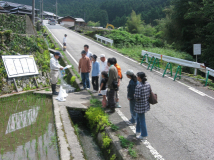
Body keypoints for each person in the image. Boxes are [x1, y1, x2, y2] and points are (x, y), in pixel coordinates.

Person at [134, 72, 151, 140]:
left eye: (137, 76)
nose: (136, 77)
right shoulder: (147, 84)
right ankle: (138, 131)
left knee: (142, 120)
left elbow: (137, 97)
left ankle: (144, 135)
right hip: (145, 104)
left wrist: (134, 95)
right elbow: (149, 93)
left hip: (140, 106)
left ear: (139, 77)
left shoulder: (139, 86)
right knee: (138, 118)